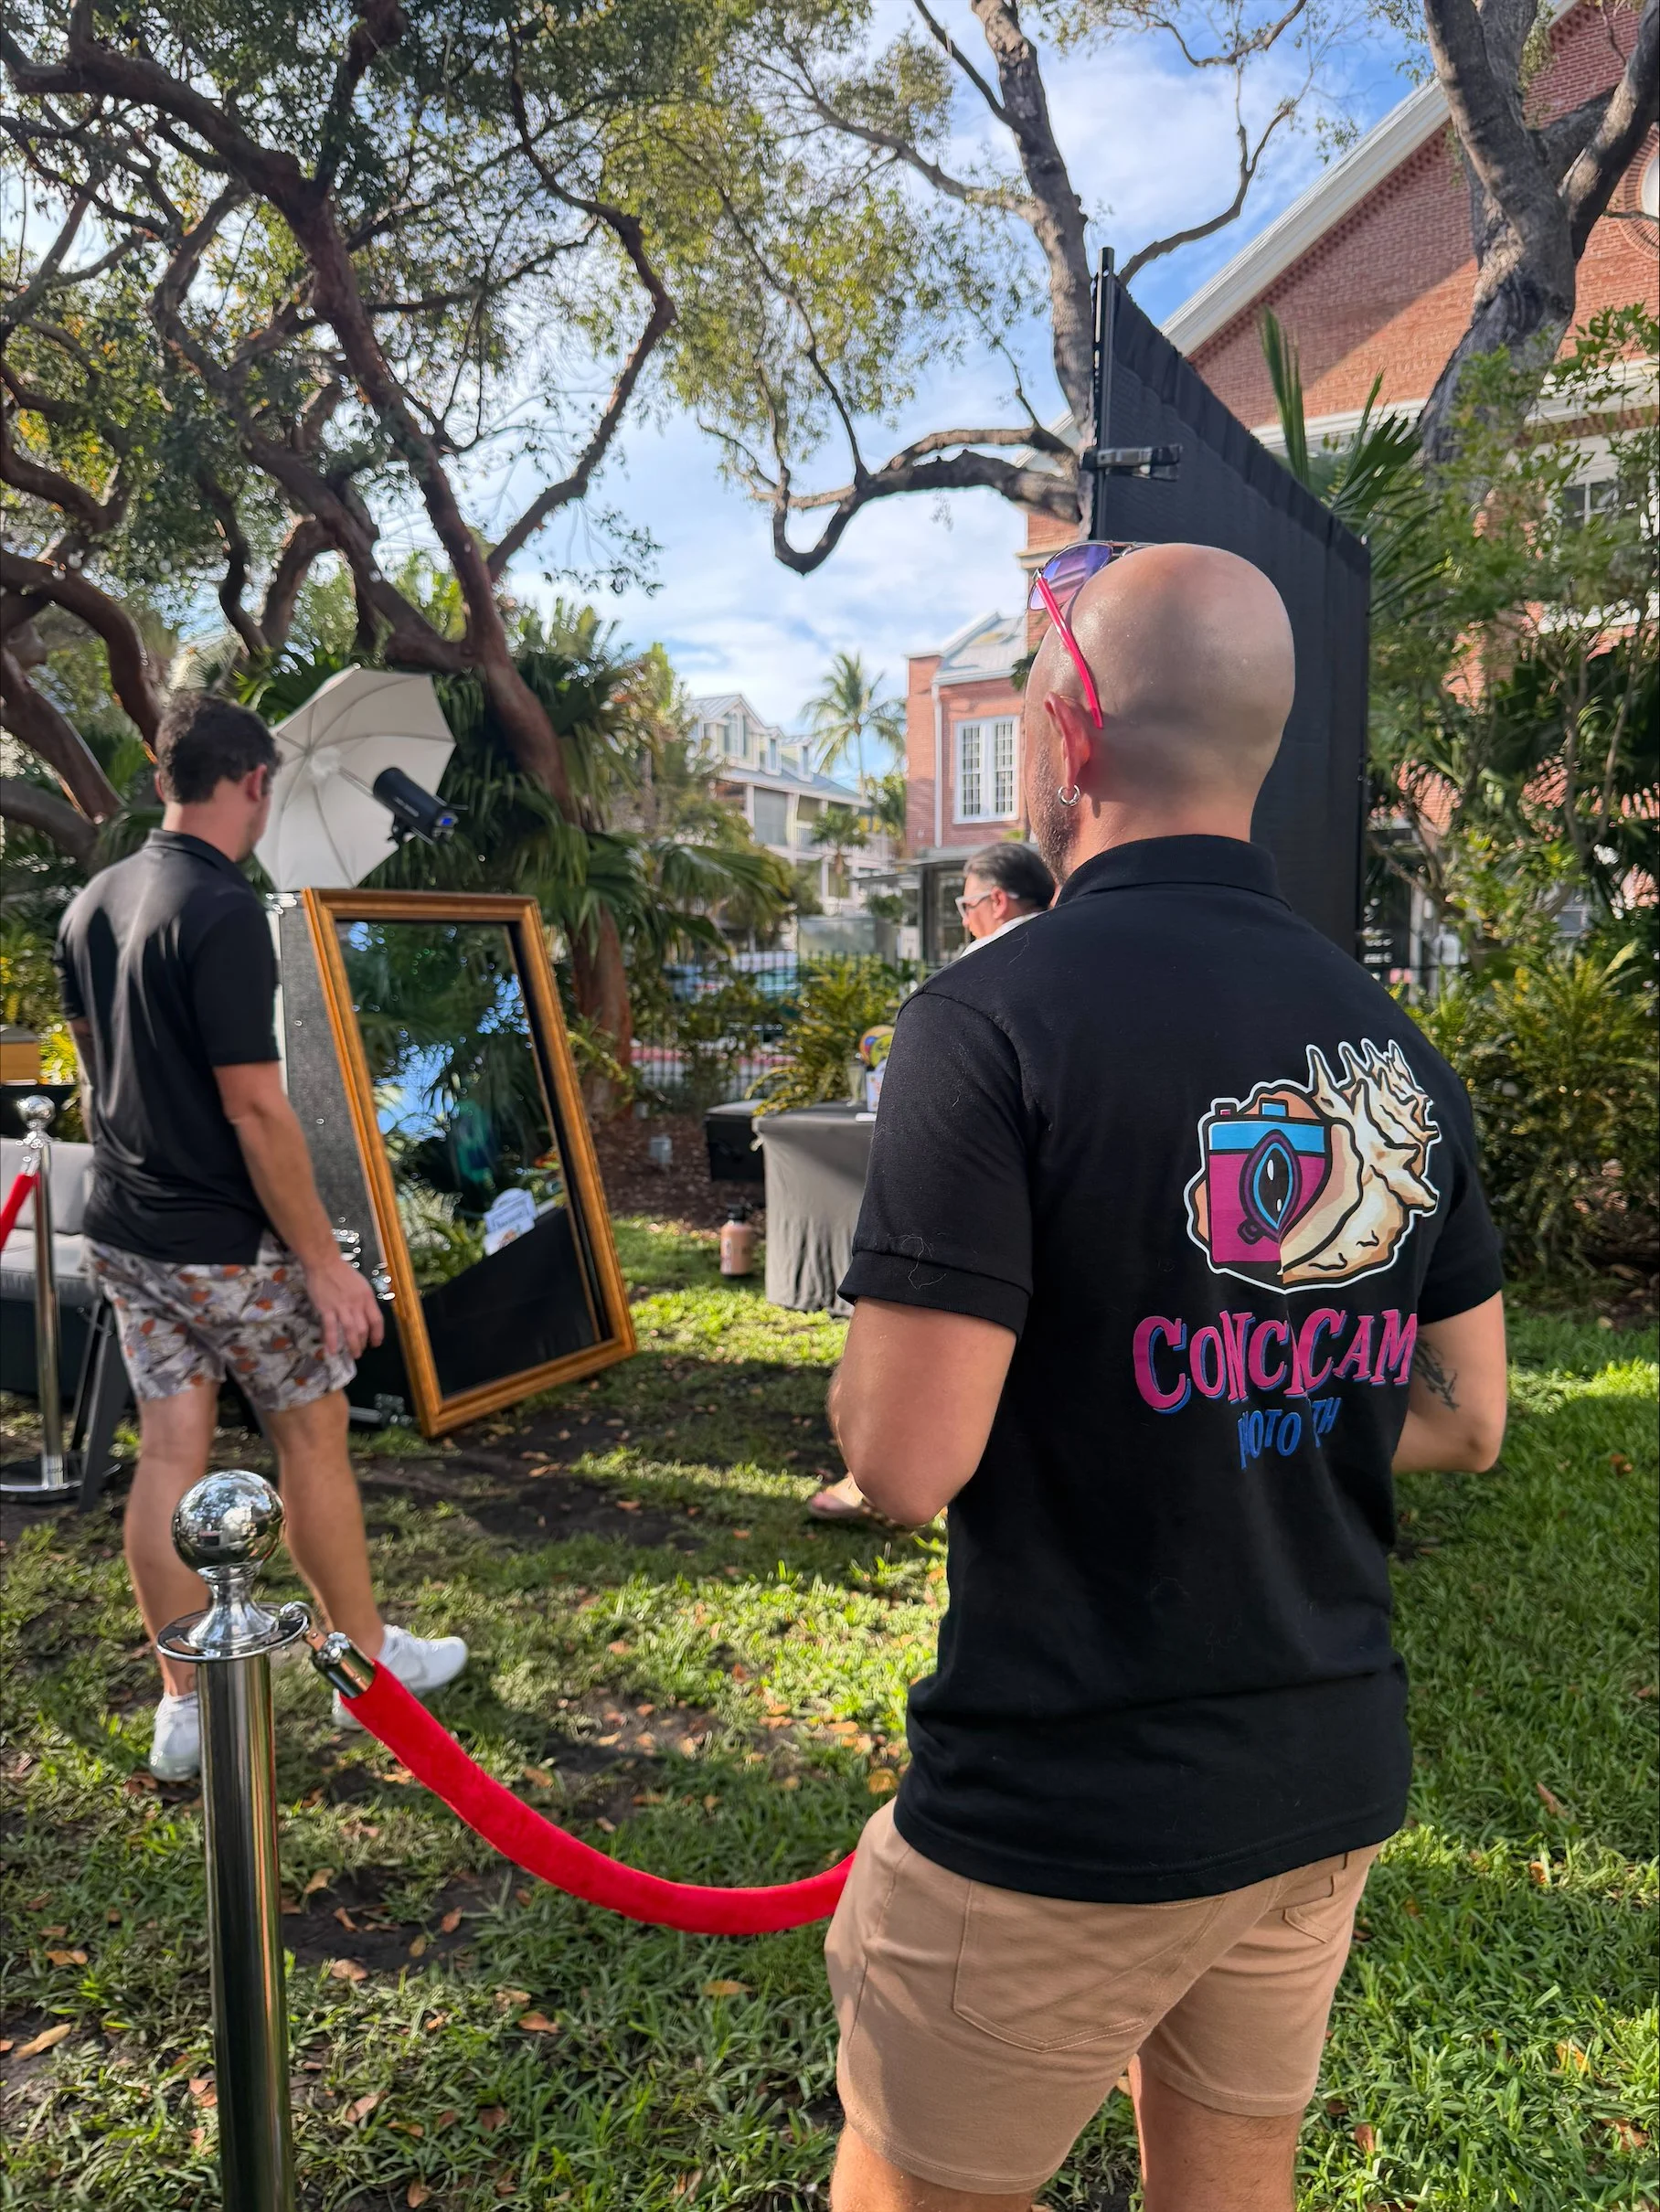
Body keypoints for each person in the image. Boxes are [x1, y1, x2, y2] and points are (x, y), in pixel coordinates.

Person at [820, 543, 1507, 2212]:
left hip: (1063, 1802)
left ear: (1066, 746)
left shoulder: (987, 1019)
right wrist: (1260, 1407)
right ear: (1253, 752)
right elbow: (1467, 1416)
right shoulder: (1395, 1053)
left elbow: (907, 1462)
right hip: (1316, 1774)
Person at [55, 691, 467, 1781]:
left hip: (126, 1230)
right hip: (225, 1241)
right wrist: (327, 1267)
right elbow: (256, 1107)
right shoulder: (225, 908)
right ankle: (366, 1670)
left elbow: (98, 1059)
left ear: (163, 779)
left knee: (170, 1455)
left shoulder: (92, 900)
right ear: (254, 784)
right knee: (313, 1437)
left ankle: (182, 1708)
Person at [953, 841, 1056, 954]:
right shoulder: (1069, 937)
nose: (966, 922)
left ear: (998, 901)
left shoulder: (978, 956)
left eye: (969, 905)